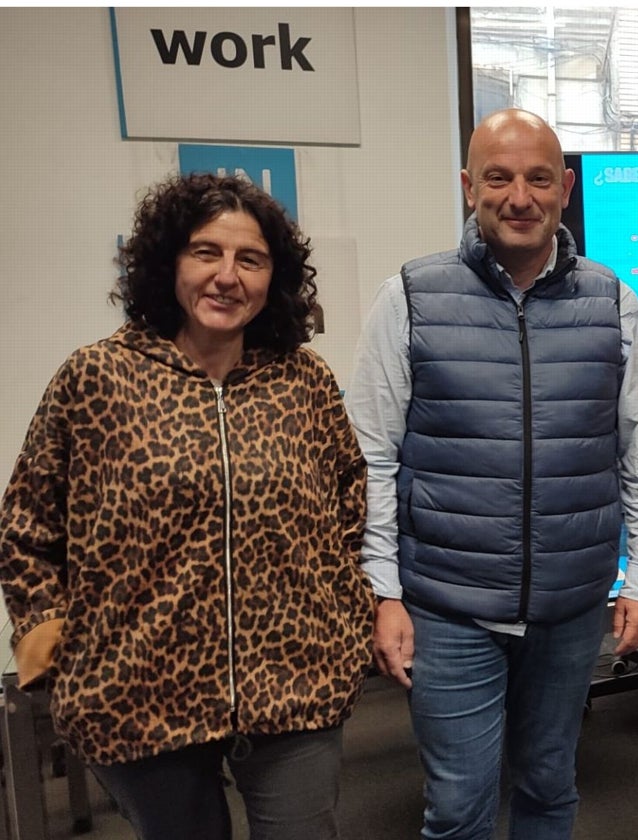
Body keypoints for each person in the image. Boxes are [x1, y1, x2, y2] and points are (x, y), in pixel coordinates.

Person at [0, 172, 375, 839]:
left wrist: (345, 616)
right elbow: (26, 520)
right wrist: (48, 641)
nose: (227, 276)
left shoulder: (303, 379)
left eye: (250, 259)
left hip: (296, 682)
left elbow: (349, 500)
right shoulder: (96, 378)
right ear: (169, 260)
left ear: (274, 277)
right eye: (206, 252)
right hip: (140, 694)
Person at [346, 108, 638, 839]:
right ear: (470, 187)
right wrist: (384, 593)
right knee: (460, 808)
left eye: (537, 178)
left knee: (549, 789)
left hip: (570, 607)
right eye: (498, 178)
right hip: (448, 606)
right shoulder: (408, 297)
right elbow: (369, 457)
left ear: (564, 188)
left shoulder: (614, 302)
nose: (519, 197)